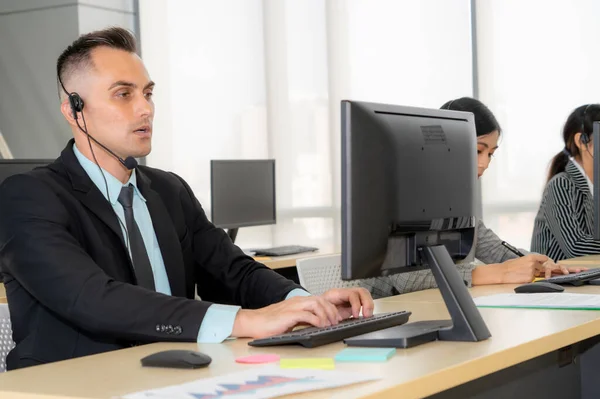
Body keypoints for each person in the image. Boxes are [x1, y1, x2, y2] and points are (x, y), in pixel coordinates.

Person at [0, 27, 373, 370]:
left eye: (147, 93)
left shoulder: (168, 190)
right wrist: (246, 320)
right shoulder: (28, 197)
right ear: (73, 110)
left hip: (177, 376)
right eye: (123, 94)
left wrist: (303, 305)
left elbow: (233, 272)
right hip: (79, 387)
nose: (146, 108)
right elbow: (92, 298)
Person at [361, 97, 583, 298]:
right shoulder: (402, 192)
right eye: (478, 150)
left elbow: (495, 249)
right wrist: (499, 273)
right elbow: (409, 278)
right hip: (391, 316)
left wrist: (540, 262)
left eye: (491, 154)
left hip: (436, 308)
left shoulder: (453, 199)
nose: (485, 163)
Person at [531, 104, 600, 260]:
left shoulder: (594, 186)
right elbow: (575, 246)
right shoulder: (562, 184)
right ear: (581, 141)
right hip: (558, 282)